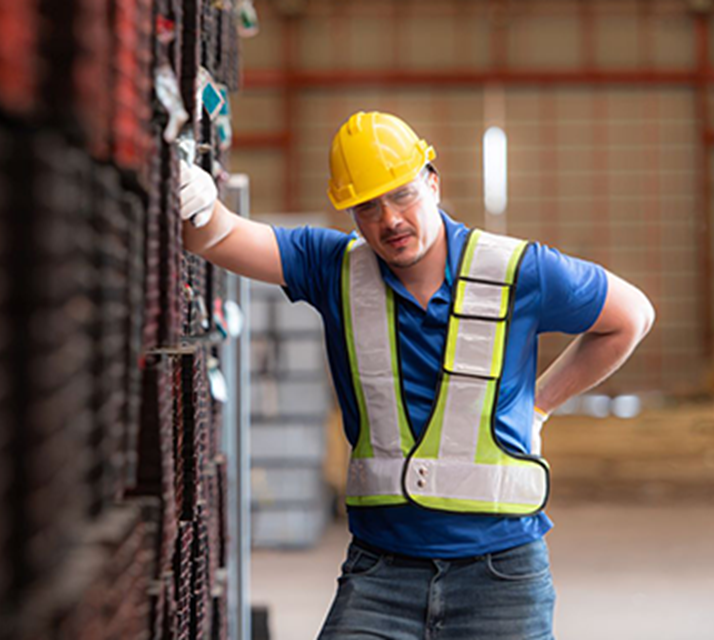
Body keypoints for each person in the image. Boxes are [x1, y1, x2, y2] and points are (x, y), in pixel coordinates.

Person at [178, 111, 655, 639]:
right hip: (380, 572)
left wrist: (541, 404)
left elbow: (631, 317)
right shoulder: (330, 267)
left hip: (502, 577)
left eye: (402, 194)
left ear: (432, 181)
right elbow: (218, 238)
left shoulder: (518, 271)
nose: (390, 220)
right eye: (368, 205)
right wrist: (195, 201)